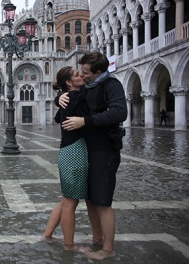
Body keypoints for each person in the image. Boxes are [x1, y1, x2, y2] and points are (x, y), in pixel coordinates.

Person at [57, 52, 127, 260]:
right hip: (89, 150)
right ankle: (98, 239)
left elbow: (119, 112)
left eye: (86, 72)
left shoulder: (111, 86)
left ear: (98, 72)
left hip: (105, 150)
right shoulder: (89, 86)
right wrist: (59, 96)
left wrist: (85, 121)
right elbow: (72, 98)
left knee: (103, 201)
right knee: (91, 199)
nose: (83, 76)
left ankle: (108, 250)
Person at [43, 66, 88, 251]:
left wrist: (59, 96)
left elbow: (57, 117)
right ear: (69, 82)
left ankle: (47, 235)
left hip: (67, 152)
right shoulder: (78, 97)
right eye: (78, 74)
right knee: (70, 202)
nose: (82, 75)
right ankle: (69, 246)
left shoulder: (68, 98)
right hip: (75, 151)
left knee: (66, 200)